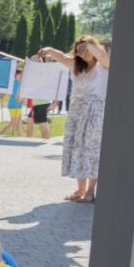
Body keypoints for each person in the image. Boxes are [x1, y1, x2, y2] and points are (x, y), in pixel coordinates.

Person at [39, 36, 110, 203]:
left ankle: (90, 191)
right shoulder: (77, 65)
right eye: (80, 51)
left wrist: (88, 45)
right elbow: (63, 58)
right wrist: (49, 50)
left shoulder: (103, 65)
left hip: (94, 112)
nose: (83, 54)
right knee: (77, 148)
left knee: (92, 150)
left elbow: (102, 56)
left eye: (86, 50)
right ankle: (80, 189)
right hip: (77, 111)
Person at [0, 69, 24, 137]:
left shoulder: (20, 83)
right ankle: (0, 135)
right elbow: (16, 96)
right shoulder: (15, 83)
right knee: (13, 124)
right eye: (20, 75)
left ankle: (21, 138)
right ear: (16, 75)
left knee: (19, 124)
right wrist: (22, 99)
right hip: (13, 105)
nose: (22, 76)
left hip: (19, 106)